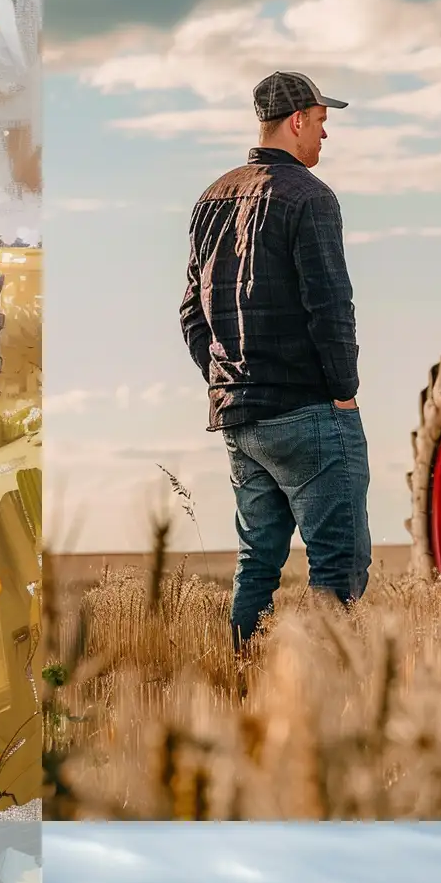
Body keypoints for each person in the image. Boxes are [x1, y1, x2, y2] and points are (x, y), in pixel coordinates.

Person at [181, 71, 369, 650]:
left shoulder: (212, 197)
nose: (323, 136)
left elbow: (192, 311)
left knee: (256, 564)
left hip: (240, 415)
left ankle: (240, 679)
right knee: (338, 566)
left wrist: (227, 379)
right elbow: (330, 305)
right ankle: (326, 690)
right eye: (320, 122)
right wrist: (344, 391)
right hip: (309, 408)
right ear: (295, 121)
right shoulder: (311, 198)